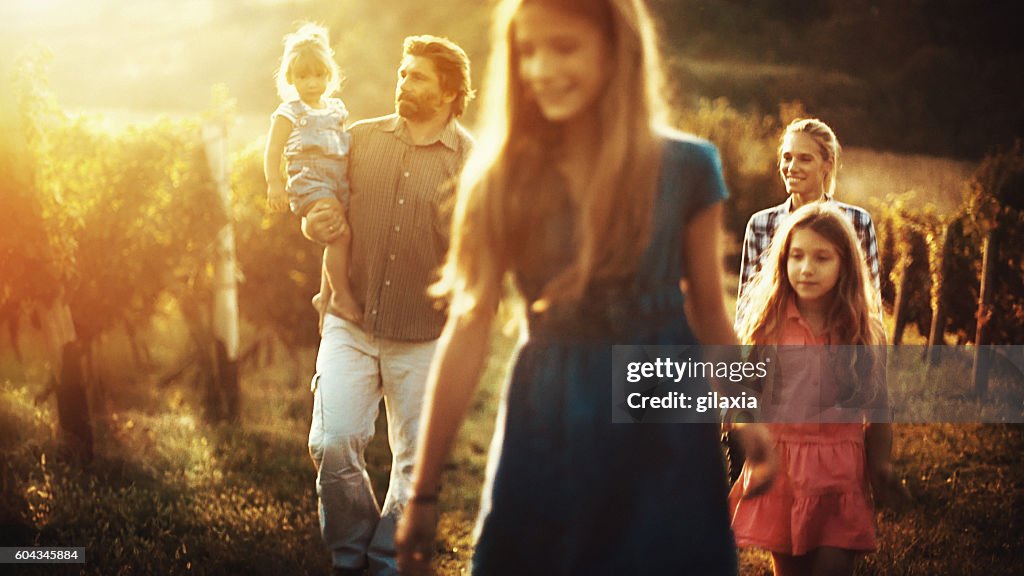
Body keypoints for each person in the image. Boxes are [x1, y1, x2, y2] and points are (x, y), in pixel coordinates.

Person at [396, 1, 776, 574]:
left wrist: (745, 414)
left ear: (617, 51)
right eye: (528, 51)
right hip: (550, 413)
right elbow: (468, 326)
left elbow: (710, 313)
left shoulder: (689, 167)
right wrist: (422, 494)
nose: (541, 68)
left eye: (565, 47)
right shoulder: (501, 177)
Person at [302, 35, 475, 576]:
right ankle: (349, 554)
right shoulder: (357, 140)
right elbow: (321, 211)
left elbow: (479, 254)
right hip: (348, 321)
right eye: (403, 74)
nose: (404, 83)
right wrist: (314, 220)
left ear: (449, 92)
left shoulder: (472, 161)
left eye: (418, 76)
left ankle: (385, 562)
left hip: (424, 335)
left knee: (414, 463)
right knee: (331, 442)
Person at [730, 202, 907, 576]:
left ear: (845, 264)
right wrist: (755, 446)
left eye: (821, 258)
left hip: (839, 470)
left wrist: (881, 465)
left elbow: (878, 405)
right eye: (796, 256)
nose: (806, 268)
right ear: (783, 260)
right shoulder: (768, 325)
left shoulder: (860, 330)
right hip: (782, 467)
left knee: (832, 564)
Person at [735, 118, 881, 331]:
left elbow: (871, 305)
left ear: (827, 165)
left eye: (804, 159)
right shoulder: (761, 224)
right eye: (787, 157)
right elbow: (746, 310)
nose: (792, 167)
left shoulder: (856, 222)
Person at [264, 22, 361, 326]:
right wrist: (275, 185)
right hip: (309, 182)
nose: (312, 83)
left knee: (338, 236)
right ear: (291, 78)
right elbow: (272, 151)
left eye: (318, 75)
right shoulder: (289, 112)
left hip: (337, 183)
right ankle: (341, 297)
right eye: (304, 76)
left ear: (328, 75)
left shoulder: (334, 109)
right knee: (339, 234)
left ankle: (324, 296)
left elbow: (344, 144)